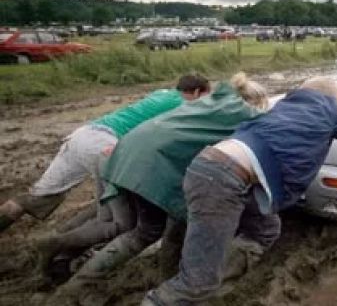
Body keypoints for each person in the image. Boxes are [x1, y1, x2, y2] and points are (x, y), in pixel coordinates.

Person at [143, 76, 337, 305]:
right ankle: (186, 289)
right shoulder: (329, 109)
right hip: (223, 180)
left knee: (266, 228)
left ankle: (213, 276)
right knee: (197, 282)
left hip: (212, 167)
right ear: (331, 98)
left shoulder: (283, 106)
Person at [39, 73, 278, 287]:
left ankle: (62, 250)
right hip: (149, 165)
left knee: (122, 219)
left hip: (126, 151)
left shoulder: (208, 104)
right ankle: (80, 283)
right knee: (147, 230)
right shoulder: (242, 117)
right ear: (253, 102)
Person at [0, 74, 210, 234]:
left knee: (37, 197)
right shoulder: (183, 104)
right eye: (204, 98)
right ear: (196, 92)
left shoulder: (161, 94)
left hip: (81, 136)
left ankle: (57, 235)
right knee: (120, 214)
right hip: (104, 145)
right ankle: (64, 245)